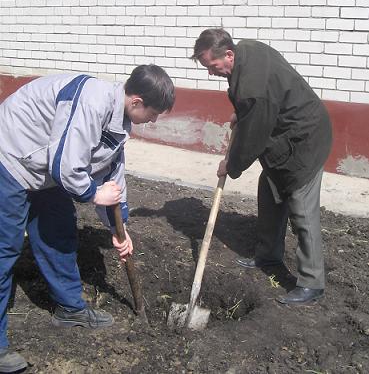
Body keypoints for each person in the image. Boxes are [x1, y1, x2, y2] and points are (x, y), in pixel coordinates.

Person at [0, 65, 175, 372]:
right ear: (136, 101)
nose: (155, 120)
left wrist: (119, 228)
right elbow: (66, 167)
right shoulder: (91, 102)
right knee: (5, 248)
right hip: (11, 158)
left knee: (59, 232)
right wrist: (93, 195)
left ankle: (69, 308)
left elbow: (111, 176)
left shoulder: (120, 121)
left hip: (45, 169)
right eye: (154, 112)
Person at [192, 28, 332, 307]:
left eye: (212, 66)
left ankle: (312, 282)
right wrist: (243, 111)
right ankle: (268, 254)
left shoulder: (253, 89)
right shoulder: (247, 50)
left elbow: (251, 138)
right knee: (268, 193)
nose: (211, 72)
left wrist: (230, 166)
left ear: (228, 54)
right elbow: (258, 105)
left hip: (304, 141)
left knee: (301, 209)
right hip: (281, 137)